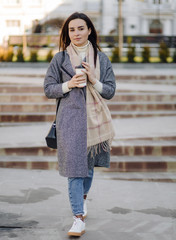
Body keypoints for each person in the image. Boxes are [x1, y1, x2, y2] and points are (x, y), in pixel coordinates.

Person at [44, 12, 116, 237]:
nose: (76, 33)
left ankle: (82, 200)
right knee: (75, 170)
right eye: (71, 30)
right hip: (70, 123)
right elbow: (48, 89)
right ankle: (77, 218)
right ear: (67, 33)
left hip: (95, 123)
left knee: (87, 169)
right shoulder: (60, 59)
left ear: (89, 30)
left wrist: (94, 80)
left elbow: (111, 91)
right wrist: (68, 85)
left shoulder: (102, 59)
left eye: (81, 28)